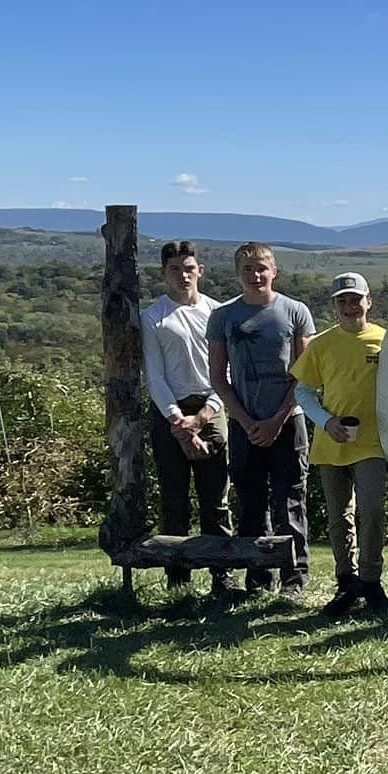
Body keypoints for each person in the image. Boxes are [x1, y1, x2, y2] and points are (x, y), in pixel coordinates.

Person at [207, 242, 317, 599]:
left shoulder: (296, 312)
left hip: (289, 421)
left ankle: (294, 580)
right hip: (244, 425)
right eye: (248, 269)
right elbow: (218, 377)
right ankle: (257, 577)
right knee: (251, 501)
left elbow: (305, 375)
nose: (256, 275)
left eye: (262, 268)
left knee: (290, 501)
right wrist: (245, 420)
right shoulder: (223, 317)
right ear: (237, 274)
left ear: (274, 271)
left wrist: (276, 420)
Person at [291, 273, 388, 618]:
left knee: (373, 509)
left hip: (374, 442)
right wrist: (325, 421)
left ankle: (371, 580)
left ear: (369, 301)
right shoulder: (320, 343)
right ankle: (346, 582)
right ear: (334, 306)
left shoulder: (384, 340)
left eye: (355, 300)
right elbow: (303, 391)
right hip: (331, 441)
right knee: (338, 518)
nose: (350, 307)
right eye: (342, 301)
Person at [141, 240, 234, 602]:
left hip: (211, 406)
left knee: (216, 500)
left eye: (189, 268)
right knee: (174, 500)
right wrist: (180, 424)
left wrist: (204, 415)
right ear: (164, 272)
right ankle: (178, 581)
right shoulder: (153, 317)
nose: (183, 275)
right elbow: (155, 375)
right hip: (170, 409)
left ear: (201, 270)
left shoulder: (218, 313)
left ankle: (221, 576)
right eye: (175, 269)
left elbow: (225, 370)